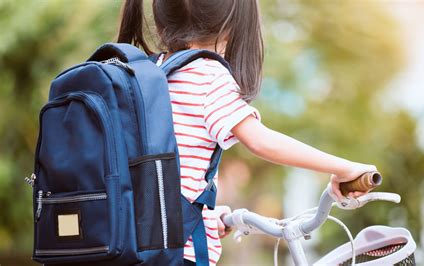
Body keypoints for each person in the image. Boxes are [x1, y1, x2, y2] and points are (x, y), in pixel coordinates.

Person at [117, 0, 377, 264]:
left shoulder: (147, 74)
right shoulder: (208, 75)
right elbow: (262, 142)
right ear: (231, 22)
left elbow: (161, 177)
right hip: (177, 255)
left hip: (139, 245)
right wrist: (344, 168)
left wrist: (202, 215)